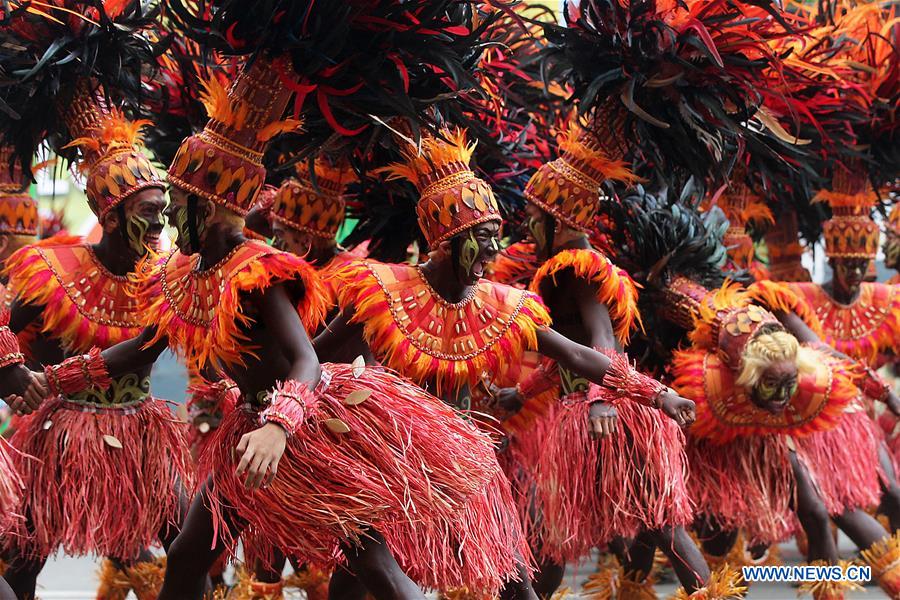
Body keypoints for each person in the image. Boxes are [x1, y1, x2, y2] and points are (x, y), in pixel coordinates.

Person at [32, 59, 537, 600]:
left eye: (178, 205)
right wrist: (60, 379)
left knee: (372, 565)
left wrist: (279, 426)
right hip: (248, 433)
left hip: (305, 430)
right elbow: (147, 346)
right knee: (186, 557)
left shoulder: (259, 270)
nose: (169, 222)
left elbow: (306, 361)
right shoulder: (184, 272)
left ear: (209, 207)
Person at [321, 126, 701, 598]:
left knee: (517, 581)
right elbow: (316, 357)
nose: (497, 250)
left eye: (498, 235)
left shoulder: (502, 303)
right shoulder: (383, 292)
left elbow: (579, 354)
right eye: (484, 237)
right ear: (448, 237)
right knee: (363, 574)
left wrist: (656, 393)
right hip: (395, 465)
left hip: (465, 467)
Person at [489, 116, 719, 599]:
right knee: (582, 534)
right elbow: (570, 355)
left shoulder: (570, 270)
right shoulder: (584, 266)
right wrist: (522, 392)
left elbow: (599, 343)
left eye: (533, 216)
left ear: (555, 220)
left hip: (606, 416)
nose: (528, 226)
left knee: (642, 527)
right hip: (605, 410)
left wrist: (600, 400)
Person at [0, 92, 191, 600]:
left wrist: (51, 380)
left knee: (191, 544)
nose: (160, 225)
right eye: (148, 212)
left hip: (141, 432)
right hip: (63, 437)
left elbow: (145, 348)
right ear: (109, 215)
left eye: (163, 212)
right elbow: (6, 327)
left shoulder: (167, 278)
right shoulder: (53, 270)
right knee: (23, 555)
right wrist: (16, 379)